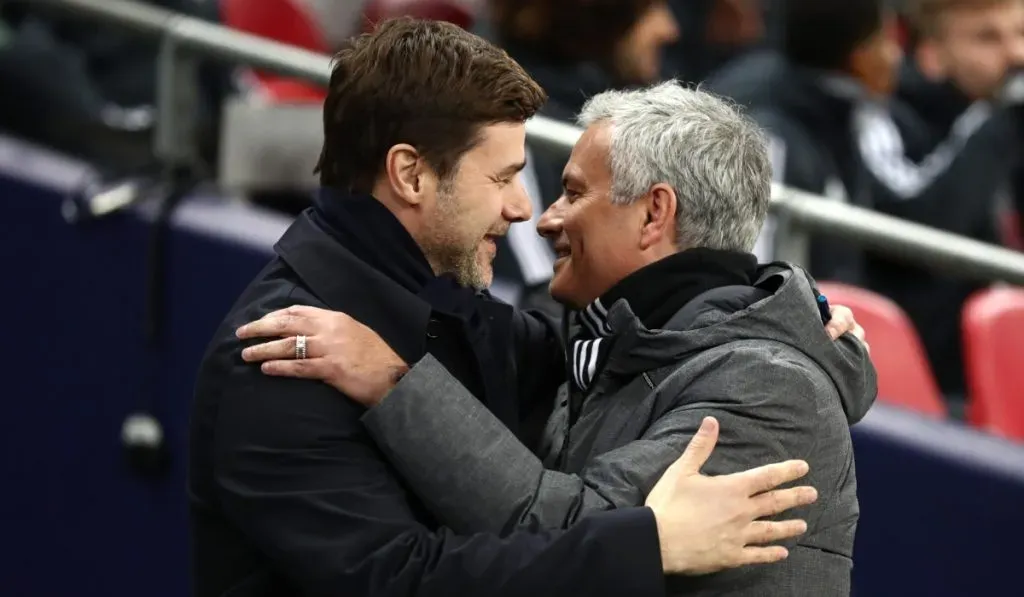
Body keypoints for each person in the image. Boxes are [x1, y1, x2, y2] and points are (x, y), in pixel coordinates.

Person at [189, 19, 822, 597]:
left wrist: (788, 315)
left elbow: (606, 351)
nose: (525, 209)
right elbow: (403, 580)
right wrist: (650, 545)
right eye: (501, 178)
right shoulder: (283, 354)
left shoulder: (448, 305)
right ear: (411, 175)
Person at [707, 0, 903, 283]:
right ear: (857, 56)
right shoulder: (769, 138)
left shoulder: (839, 115)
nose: (896, 55)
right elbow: (753, 289)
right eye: (884, 39)